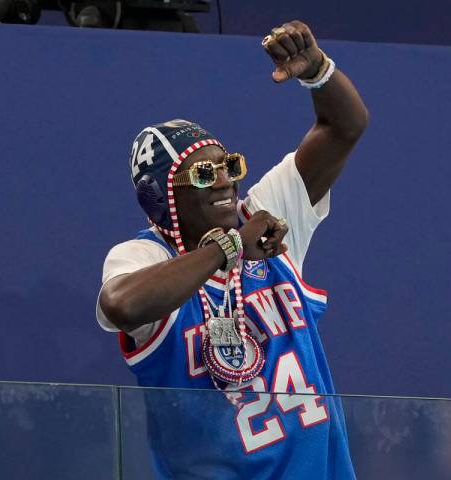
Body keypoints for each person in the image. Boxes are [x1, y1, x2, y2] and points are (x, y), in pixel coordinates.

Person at [97, 20, 369, 479]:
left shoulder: (261, 216)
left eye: (228, 165)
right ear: (163, 198)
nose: (225, 180)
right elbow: (121, 305)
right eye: (204, 174)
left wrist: (317, 70)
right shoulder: (144, 256)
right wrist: (231, 246)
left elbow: (345, 127)